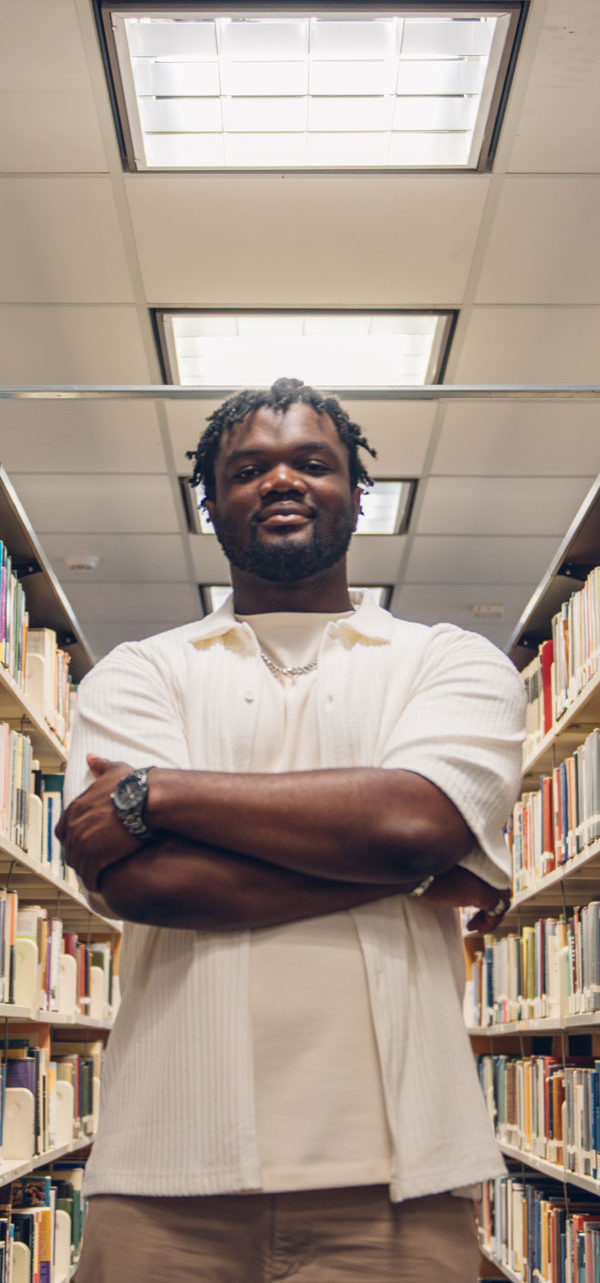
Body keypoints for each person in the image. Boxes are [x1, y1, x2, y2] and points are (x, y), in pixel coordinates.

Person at [57, 376, 525, 1283]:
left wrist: (157, 792)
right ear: (211, 502)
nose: (283, 481)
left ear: (358, 495)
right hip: (164, 1176)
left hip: (403, 1182)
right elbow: (142, 885)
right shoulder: (134, 673)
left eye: (314, 463)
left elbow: (410, 820)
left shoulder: (451, 662)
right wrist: (419, 867)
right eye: (249, 469)